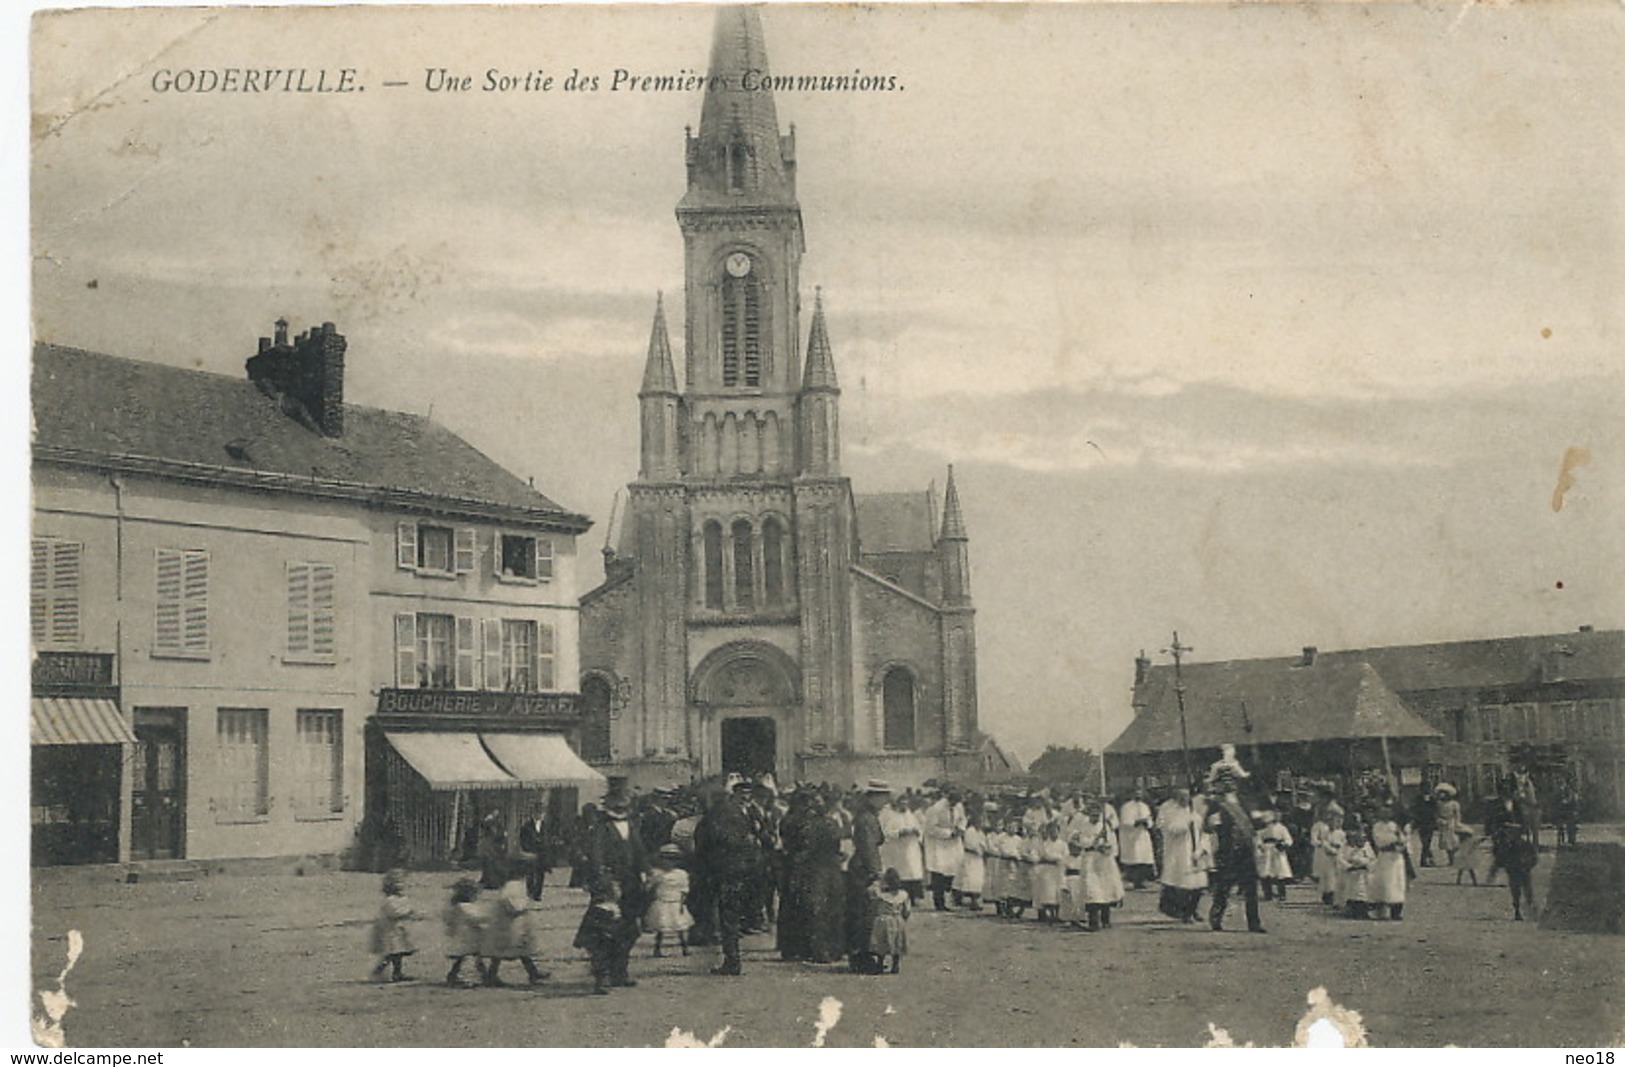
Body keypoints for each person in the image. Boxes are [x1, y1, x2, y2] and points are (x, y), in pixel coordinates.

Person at [578, 787, 648, 990]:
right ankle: (603, 975)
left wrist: (646, 871)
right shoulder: (601, 829)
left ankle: (620, 971)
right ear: (608, 807)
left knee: (630, 930)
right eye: (616, 805)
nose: (620, 808)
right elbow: (596, 859)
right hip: (610, 886)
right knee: (604, 930)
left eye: (623, 805)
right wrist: (606, 882)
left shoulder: (632, 826)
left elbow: (640, 852)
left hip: (631, 886)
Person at [696, 780, 761, 976]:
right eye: (742, 794)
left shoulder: (743, 812)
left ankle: (732, 959)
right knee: (729, 916)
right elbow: (718, 838)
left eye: (748, 794)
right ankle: (732, 960)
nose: (745, 797)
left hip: (739, 870)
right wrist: (745, 841)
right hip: (728, 870)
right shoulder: (724, 813)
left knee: (732, 915)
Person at [1206, 777, 1265, 934]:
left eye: (1231, 783)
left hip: (1246, 849)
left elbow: (1253, 826)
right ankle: (1216, 918)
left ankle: (1254, 923)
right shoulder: (1216, 805)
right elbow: (1209, 826)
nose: (1229, 786)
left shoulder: (1243, 804)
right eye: (1225, 783)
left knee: (1251, 888)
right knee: (1224, 888)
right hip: (1229, 851)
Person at [480, 860, 550, 986]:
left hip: (514, 922)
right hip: (509, 923)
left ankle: (532, 973)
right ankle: (492, 975)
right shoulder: (513, 886)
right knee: (506, 950)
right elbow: (507, 900)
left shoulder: (514, 884)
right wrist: (520, 907)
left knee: (520, 950)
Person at [846, 780, 890, 974]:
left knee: (866, 914)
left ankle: (863, 956)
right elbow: (868, 848)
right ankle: (861, 958)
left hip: (863, 867)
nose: (886, 800)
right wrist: (876, 872)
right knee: (863, 915)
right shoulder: (866, 819)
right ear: (872, 797)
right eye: (883, 796)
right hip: (863, 870)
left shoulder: (868, 816)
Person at [1156, 788, 1207, 923]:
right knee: (1184, 885)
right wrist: (1185, 825)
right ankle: (1186, 913)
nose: (1185, 800)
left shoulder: (1194, 813)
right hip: (1180, 852)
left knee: (1200, 884)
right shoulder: (1172, 812)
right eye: (1182, 797)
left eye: (1187, 797)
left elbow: (1202, 831)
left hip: (1195, 852)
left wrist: (1203, 848)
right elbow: (1170, 829)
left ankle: (1193, 909)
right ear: (1177, 799)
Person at [1488, 794, 1539, 920]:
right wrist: (1494, 871)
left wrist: (1529, 864)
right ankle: (1517, 911)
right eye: (1509, 833)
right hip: (1514, 871)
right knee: (1516, 892)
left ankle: (1530, 910)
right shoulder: (1506, 846)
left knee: (1528, 891)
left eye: (1512, 833)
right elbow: (1499, 859)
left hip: (1524, 870)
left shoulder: (1524, 844)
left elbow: (1534, 857)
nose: (1510, 835)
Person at [368, 869, 417, 983]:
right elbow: (394, 913)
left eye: (402, 883)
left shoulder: (401, 899)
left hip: (398, 929)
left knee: (398, 954)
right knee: (391, 954)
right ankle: (379, 970)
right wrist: (407, 912)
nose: (401, 886)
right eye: (397, 884)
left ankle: (397, 973)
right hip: (390, 931)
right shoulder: (389, 900)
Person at [645, 843, 693, 957]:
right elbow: (650, 887)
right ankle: (657, 948)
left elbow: (684, 889)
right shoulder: (657, 873)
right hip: (662, 902)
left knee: (680, 925)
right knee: (661, 926)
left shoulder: (681, 874)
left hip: (676, 902)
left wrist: (682, 903)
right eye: (666, 859)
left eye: (672, 860)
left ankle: (684, 947)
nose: (669, 863)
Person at [922, 789, 967, 911]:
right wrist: (948, 833)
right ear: (948, 798)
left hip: (953, 843)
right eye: (952, 802)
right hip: (939, 843)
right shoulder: (936, 809)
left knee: (953, 869)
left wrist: (960, 829)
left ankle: (950, 898)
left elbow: (963, 819)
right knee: (939, 872)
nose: (954, 804)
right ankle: (938, 902)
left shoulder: (958, 806)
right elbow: (930, 828)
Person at [441, 876, 486, 987]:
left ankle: (454, 975)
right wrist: (488, 919)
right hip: (467, 935)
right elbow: (475, 918)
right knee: (470, 956)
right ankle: (465, 978)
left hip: (462, 934)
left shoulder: (455, 906)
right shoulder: (465, 907)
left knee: (468, 957)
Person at [1368, 805, 1408, 920]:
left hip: (1397, 858)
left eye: (1388, 811)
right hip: (1385, 857)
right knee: (1385, 883)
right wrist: (1393, 841)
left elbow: (1403, 840)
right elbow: (1379, 841)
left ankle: (1397, 911)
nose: (1386, 814)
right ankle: (1382, 911)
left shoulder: (1395, 825)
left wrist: (1400, 840)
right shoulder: (1377, 826)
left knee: (1398, 882)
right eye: (1383, 811)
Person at [868, 868, 911, 975]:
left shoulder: (880, 895)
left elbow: (873, 906)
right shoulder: (903, 895)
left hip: (883, 920)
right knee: (897, 943)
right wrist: (903, 918)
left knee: (881, 943)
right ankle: (895, 965)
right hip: (897, 920)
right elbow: (907, 910)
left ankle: (879, 963)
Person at [1117, 788, 1157, 890]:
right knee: (1134, 859)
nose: (1138, 796)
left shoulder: (1144, 806)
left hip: (1142, 835)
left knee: (1143, 859)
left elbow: (1150, 821)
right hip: (1131, 836)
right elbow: (1125, 822)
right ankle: (1133, 880)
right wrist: (1137, 822)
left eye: (1140, 794)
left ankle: (1141, 881)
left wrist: (1147, 823)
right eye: (1136, 794)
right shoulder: (1126, 807)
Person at [1031, 821, 1067, 923]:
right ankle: (1046, 914)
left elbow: (1065, 857)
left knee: (1058, 893)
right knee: (1047, 893)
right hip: (1047, 871)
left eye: (1055, 830)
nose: (1053, 833)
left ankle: (1057, 914)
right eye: (1050, 830)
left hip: (1058, 870)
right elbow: (1043, 855)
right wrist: (1048, 858)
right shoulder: (1044, 844)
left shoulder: (1063, 844)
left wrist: (1057, 859)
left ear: (1058, 831)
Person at [1256, 810, 1294, 903]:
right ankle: (1267, 893)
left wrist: (1284, 844)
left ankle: (1282, 894)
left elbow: (1288, 839)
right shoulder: (1262, 829)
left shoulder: (1282, 828)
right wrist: (1260, 846)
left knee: (1280, 872)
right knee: (1266, 872)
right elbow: (1258, 839)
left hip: (1277, 850)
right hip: (1266, 850)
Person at [1339, 828, 1376, 919]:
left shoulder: (1367, 848)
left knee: (1363, 893)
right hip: (1351, 874)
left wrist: (1366, 864)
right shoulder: (1345, 848)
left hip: (1364, 873)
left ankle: (1363, 910)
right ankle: (1351, 910)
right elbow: (1340, 859)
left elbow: (1373, 860)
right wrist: (1349, 866)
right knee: (1352, 892)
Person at [517, 804, 551, 902]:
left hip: (542, 854)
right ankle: (530, 891)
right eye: (538, 813)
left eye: (541, 813)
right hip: (531, 853)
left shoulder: (545, 826)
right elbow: (523, 840)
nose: (539, 815)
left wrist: (545, 849)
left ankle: (538, 894)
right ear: (533, 813)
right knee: (530, 873)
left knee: (540, 874)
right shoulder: (526, 826)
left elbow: (547, 839)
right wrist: (528, 850)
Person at [957, 807, 987, 912]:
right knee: (970, 878)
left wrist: (983, 848)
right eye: (980, 821)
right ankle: (971, 900)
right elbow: (969, 844)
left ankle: (975, 900)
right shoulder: (970, 831)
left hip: (978, 858)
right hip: (971, 857)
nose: (981, 823)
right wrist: (977, 849)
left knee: (978, 880)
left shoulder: (980, 832)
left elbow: (984, 843)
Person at [477, 811, 509, 890]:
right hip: (490, 844)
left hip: (495, 844)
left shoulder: (498, 822)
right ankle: (488, 880)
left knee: (494, 863)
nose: (496, 813)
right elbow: (485, 828)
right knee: (488, 861)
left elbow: (501, 833)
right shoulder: (488, 821)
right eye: (494, 811)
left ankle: (494, 882)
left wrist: (502, 840)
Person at [1412, 786, 1439, 867]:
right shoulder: (1418, 799)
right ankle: (1426, 859)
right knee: (1425, 842)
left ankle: (1425, 860)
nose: (1426, 790)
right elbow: (1415, 810)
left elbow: (1435, 810)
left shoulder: (1432, 800)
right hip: (1422, 823)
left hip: (1430, 823)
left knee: (1427, 842)